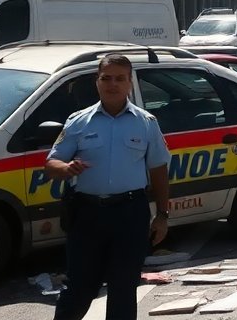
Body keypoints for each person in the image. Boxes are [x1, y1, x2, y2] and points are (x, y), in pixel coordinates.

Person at [45, 53, 172, 320]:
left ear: (129, 83)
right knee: (79, 287)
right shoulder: (78, 121)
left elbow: (159, 171)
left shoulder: (146, 122)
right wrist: (66, 169)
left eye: (119, 78)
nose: (112, 84)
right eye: (106, 78)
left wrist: (162, 215)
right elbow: (51, 162)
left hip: (130, 214)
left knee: (124, 288)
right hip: (87, 214)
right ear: (97, 81)